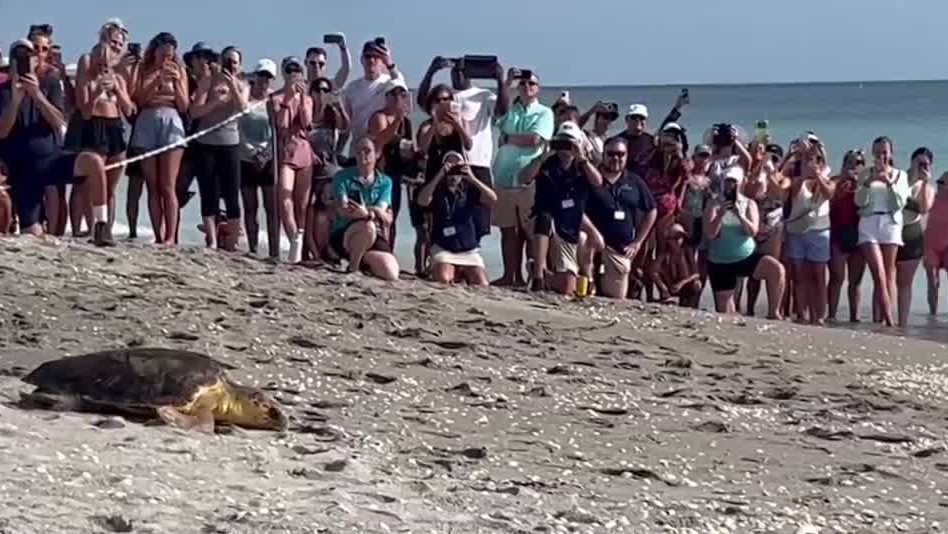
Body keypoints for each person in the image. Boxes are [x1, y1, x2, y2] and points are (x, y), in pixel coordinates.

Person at [0, 39, 113, 246]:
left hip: (50, 158)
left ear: (37, 60)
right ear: (12, 62)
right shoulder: (4, 91)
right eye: (19, 57)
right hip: (22, 168)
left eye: (29, 56)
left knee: (94, 162)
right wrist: (16, 100)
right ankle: (38, 229)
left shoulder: (49, 83)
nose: (25, 61)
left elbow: (59, 120)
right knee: (31, 234)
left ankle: (101, 226)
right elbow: (2, 132)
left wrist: (37, 95)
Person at [416, 56, 507, 239]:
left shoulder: (483, 94)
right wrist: (431, 71)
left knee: (479, 221)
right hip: (451, 164)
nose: (457, 73)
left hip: (478, 162)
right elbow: (423, 101)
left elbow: (502, 110)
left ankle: (470, 255)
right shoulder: (448, 97)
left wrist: (500, 80)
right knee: (444, 216)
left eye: (462, 70)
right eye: (454, 69)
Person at [520, 121, 603, 295]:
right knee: (545, 217)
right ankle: (538, 278)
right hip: (541, 223)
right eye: (562, 142)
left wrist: (583, 159)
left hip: (568, 227)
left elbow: (598, 182)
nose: (565, 148)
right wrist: (542, 156)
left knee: (567, 287)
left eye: (570, 143)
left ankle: (543, 272)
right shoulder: (547, 163)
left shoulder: (582, 167)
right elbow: (523, 178)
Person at [67, 19, 134, 235]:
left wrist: (117, 89)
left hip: (114, 127)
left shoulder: (119, 73)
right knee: (86, 182)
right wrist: (98, 88)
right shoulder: (87, 61)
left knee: (111, 186)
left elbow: (130, 109)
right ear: (103, 39)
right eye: (113, 42)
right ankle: (79, 229)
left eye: (119, 44)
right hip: (92, 124)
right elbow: (84, 108)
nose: (115, 47)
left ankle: (105, 229)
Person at [491, 69, 554, 287]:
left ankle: (535, 276)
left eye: (532, 83)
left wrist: (508, 138)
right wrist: (506, 83)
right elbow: (497, 117)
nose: (527, 86)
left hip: (528, 180)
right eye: (523, 83)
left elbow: (536, 139)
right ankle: (510, 275)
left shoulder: (545, 112)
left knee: (530, 231)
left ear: (538, 88)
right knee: (507, 230)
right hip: (503, 176)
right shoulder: (511, 108)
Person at [129, 32, 189, 245]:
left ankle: (170, 236)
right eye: (163, 52)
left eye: (170, 53)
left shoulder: (178, 69)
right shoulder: (144, 69)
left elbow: (184, 105)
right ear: (154, 51)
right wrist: (157, 79)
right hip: (147, 119)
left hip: (171, 118)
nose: (166, 57)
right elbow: (139, 99)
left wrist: (175, 80)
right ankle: (157, 234)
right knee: (152, 184)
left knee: (168, 185)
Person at [703, 166, 785, 318]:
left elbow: (753, 231)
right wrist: (720, 215)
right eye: (727, 181)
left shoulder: (749, 203)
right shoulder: (713, 204)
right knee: (726, 313)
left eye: (734, 182)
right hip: (721, 261)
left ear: (740, 183)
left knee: (776, 269)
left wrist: (740, 215)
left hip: (745, 257)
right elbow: (710, 234)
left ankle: (774, 312)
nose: (730, 185)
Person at [190, 45, 249, 250]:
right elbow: (195, 111)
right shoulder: (208, 81)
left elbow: (243, 109)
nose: (230, 65)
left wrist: (232, 86)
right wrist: (215, 102)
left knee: (232, 193)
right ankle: (212, 240)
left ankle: (232, 241)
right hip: (206, 143)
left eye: (234, 61)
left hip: (230, 144)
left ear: (239, 64)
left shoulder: (243, 84)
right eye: (227, 61)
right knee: (208, 192)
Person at [585, 137, 657, 300]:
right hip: (591, 244)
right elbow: (577, 209)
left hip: (619, 249)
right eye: (611, 154)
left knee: (615, 298)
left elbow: (651, 210)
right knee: (586, 291)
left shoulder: (634, 181)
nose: (615, 158)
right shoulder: (591, 176)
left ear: (626, 156)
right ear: (603, 155)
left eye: (620, 154)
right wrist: (593, 232)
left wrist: (638, 241)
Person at [413, 84, 471, 274]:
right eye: (438, 100)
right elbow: (422, 147)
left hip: (454, 178)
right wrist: (436, 123)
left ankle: (454, 261)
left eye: (446, 99)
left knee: (452, 219)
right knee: (426, 225)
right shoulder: (428, 125)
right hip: (433, 176)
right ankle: (421, 266)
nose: (443, 103)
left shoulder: (459, 121)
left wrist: (457, 125)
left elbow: (469, 144)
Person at [416, 151, 497, 286]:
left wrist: (472, 178)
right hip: (444, 249)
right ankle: (452, 272)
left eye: (457, 168)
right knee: (443, 279)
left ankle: (461, 273)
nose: (454, 174)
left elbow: (492, 199)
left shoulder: (470, 190)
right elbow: (422, 201)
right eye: (451, 167)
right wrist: (440, 175)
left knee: (482, 283)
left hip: (468, 251)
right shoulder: (437, 190)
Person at [855, 136, 910, 327]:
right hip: (869, 223)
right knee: (877, 273)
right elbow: (859, 202)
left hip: (891, 223)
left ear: (891, 153)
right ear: (873, 154)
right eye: (878, 152)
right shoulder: (864, 174)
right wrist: (869, 182)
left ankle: (881, 319)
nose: (882, 156)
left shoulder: (900, 175)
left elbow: (899, 204)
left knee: (888, 274)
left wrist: (888, 183)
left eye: (885, 152)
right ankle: (889, 320)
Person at [329, 138, 399, 281]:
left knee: (390, 273)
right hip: (345, 232)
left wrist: (366, 212)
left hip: (374, 233)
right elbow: (344, 209)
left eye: (367, 151)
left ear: (377, 154)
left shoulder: (385, 182)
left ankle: (362, 260)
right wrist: (370, 213)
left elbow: (381, 209)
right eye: (359, 151)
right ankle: (353, 268)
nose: (363, 155)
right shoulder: (342, 177)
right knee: (368, 226)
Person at [368, 78, 423, 249]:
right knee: (380, 212)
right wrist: (397, 120)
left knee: (394, 214)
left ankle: (389, 249)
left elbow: (409, 145)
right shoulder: (380, 116)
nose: (398, 98)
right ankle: (377, 248)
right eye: (394, 94)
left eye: (402, 94)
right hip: (382, 171)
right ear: (387, 97)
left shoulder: (406, 122)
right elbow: (381, 140)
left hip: (398, 172)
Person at [784, 140, 834, 325]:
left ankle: (819, 315)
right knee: (799, 275)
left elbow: (829, 193)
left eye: (815, 160)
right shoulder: (797, 180)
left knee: (819, 275)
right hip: (797, 231)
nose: (812, 163)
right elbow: (794, 192)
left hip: (820, 231)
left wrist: (818, 176)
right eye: (807, 160)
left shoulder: (827, 178)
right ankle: (802, 314)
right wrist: (805, 173)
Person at [271, 56, 313, 264]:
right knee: (284, 198)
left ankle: (300, 240)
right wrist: (288, 98)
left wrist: (302, 98)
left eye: (296, 70)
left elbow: (307, 124)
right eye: (289, 70)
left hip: (303, 149)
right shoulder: (276, 98)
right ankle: (293, 239)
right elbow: (280, 125)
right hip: (286, 149)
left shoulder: (307, 98)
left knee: (302, 203)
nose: (293, 74)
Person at [305, 76, 350, 261]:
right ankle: (309, 250)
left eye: (325, 90)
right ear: (312, 92)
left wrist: (338, 105)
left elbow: (346, 127)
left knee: (330, 205)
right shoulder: (306, 111)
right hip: (308, 168)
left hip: (329, 169)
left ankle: (331, 249)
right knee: (307, 208)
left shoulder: (332, 114)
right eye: (318, 89)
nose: (321, 93)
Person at [743, 140, 789, 316]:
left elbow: (781, 194)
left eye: (776, 159)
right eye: (770, 157)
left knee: (772, 267)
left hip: (773, 228)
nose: (773, 162)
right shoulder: (756, 176)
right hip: (755, 225)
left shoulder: (783, 179)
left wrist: (770, 173)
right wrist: (760, 165)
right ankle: (749, 309)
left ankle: (773, 309)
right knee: (752, 270)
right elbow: (750, 193)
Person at [238, 59, 279, 259]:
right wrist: (251, 151)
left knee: (271, 207)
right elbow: (238, 125)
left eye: (268, 77)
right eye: (261, 76)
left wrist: (265, 152)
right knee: (250, 206)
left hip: (268, 158)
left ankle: (274, 251)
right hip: (245, 157)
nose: (264, 81)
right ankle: (252, 248)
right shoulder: (245, 98)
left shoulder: (273, 100)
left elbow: (276, 130)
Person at [342, 39, 405, 157]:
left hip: (383, 149)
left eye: (376, 56)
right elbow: (347, 122)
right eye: (368, 56)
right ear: (361, 60)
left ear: (382, 60)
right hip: (358, 148)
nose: (371, 60)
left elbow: (400, 85)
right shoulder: (352, 87)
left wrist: (389, 62)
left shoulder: (389, 82)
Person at [895, 147, 935, 327]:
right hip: (891, 230)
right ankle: (881, 320)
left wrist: (925, 182)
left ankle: (902, 322)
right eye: (918, 163)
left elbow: (924, 208)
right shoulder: (899, 178)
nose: (921, 167)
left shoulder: (928, 187)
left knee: (904, 284)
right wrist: (911, 178)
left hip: (911, 233)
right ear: (911, 162)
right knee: (884, 278)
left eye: (925, 164)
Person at [828, 149, 867, 323]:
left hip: (859, 234)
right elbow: (828, 201)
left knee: (855, 281)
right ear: (844, 164)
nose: (854, 166)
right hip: (838, 233)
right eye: (851, 162)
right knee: (836, 278)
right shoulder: (835, 181)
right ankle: (831, 315)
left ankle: (855, 317)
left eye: (858, 163)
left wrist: (859, 184)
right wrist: (843, 183)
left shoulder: (865, 184)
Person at [614, 92, 687, 177]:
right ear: (627, 119)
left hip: (647, 183)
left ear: (646, 120)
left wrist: (678, 107)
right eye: (634, 117)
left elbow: (664, 127)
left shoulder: (651, 140)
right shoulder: (617, 141)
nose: (638, 121)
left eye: (642, 118)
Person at [648, 223, 702, 307]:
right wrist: (663, 287)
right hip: (670, 284)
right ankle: (667, 297)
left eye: (680, 237)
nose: (678, 240)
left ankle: (690, 303)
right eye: (675, 238)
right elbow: (653, 271)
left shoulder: (687, 250)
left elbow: (696, 273)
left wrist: (681, 283)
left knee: (697, 284)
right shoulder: (664, 253)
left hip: (684, 284)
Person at [924, 173, 948, 315]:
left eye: (943, 182)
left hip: (947, 246)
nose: (939, 184)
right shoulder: (932, 196)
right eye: (938, 182)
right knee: (932, 280)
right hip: (930, 244)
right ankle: (933, 313)